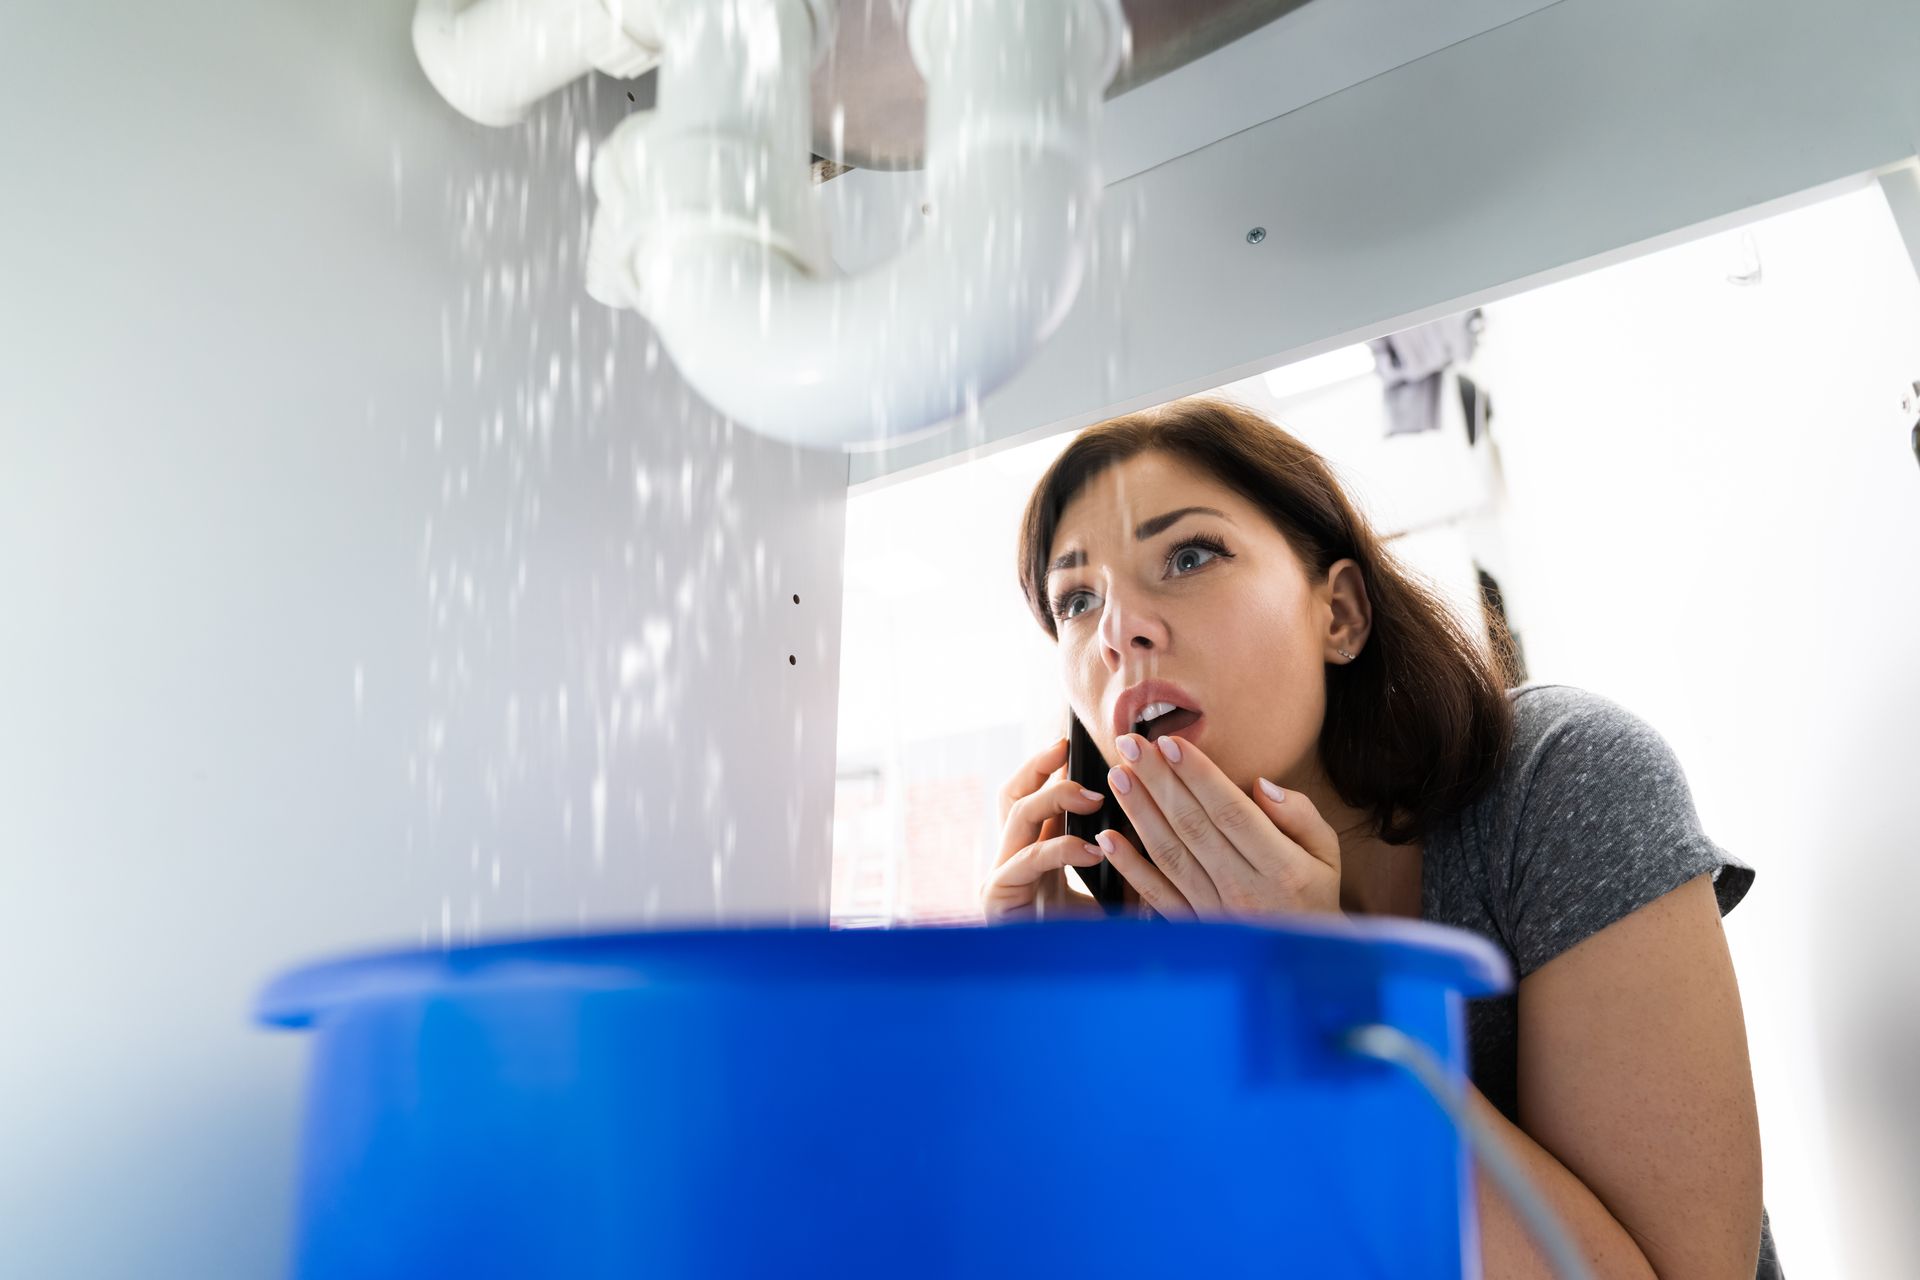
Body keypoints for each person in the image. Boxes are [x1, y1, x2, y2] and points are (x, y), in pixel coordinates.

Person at [982, 397, 1782, 1279]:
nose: (1117, 632)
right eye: (1075, 599)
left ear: (1341, 615)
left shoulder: (1557, 781)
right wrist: (1068, 1031)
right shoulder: (1147, 943)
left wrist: (1330, 991)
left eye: (1190, 554)